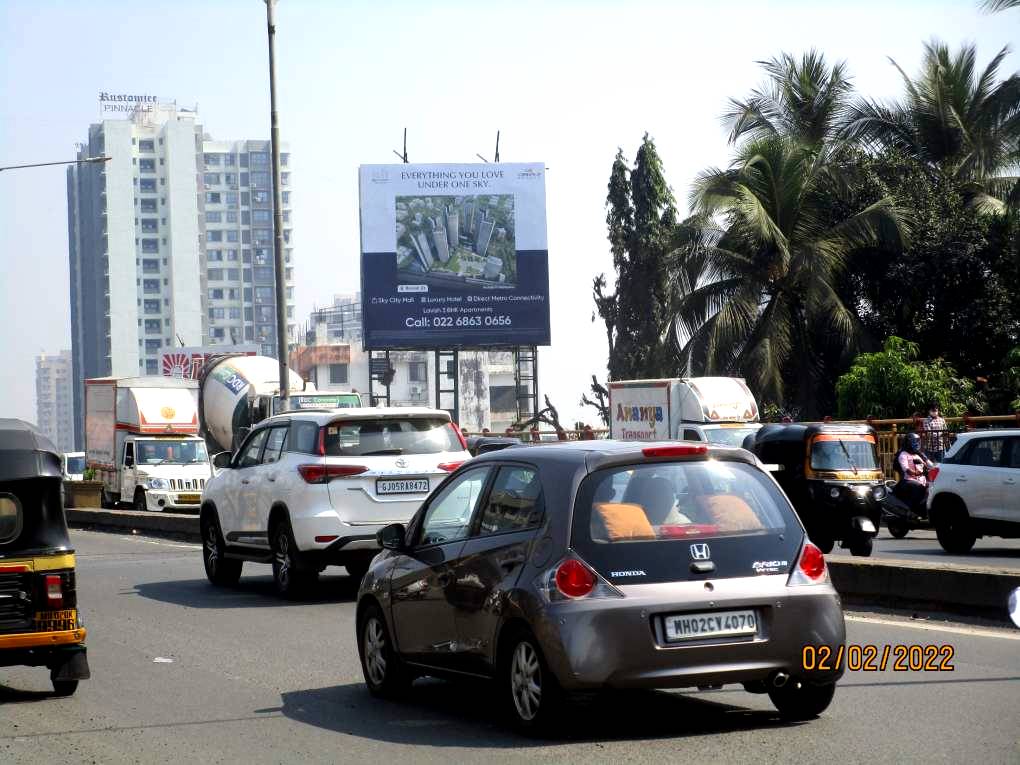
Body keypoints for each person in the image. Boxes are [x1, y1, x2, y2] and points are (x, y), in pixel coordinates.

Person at [893, 433, 934, 516]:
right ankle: (912, 511)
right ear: (908, 443)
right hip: (908, 480)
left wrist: (927, 460)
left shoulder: (918, 454)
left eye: (918, 441)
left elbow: (931, 466)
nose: (917, 443)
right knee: (918, 487)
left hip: (922, 479)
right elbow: (906, 469)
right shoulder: (903, 454)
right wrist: (915, 473)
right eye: (915, 441)